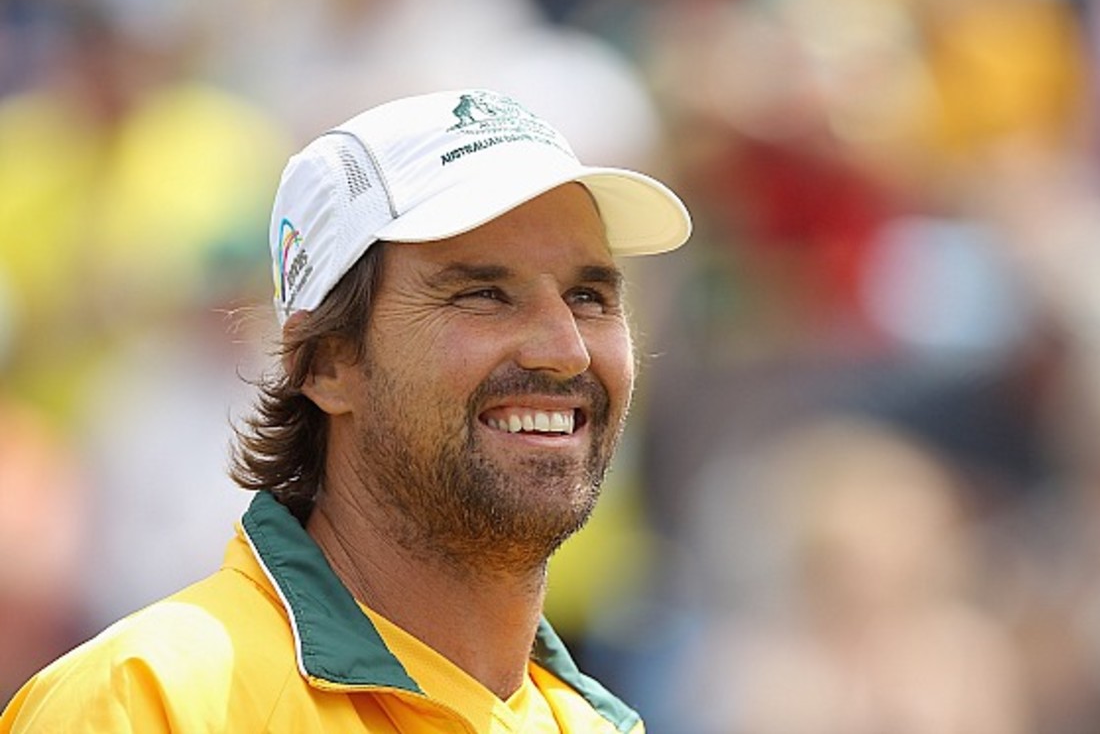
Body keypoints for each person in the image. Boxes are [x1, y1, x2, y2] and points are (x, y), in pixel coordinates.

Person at [0, 88, 691, 733]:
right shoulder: (144, 701)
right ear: (327, 360)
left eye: (589, 297)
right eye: (484, 293)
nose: (565, 350)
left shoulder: (595, 723)